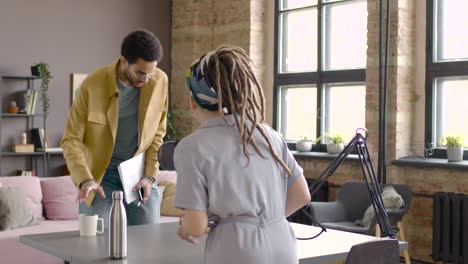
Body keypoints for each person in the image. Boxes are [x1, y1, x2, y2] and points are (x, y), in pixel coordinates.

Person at [173, 45, 311, 264]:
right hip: (283, 244)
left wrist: (185, 227)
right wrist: (263, 220)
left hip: (236, 249)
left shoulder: (192, 147)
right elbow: (302, 195)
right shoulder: (268, 135)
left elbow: (196, 226)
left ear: (193, 101)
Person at [61, 29, 168, 227]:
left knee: (150, 246)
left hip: (139, 174)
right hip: (100, 177)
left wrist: (150, 176)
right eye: (140, 73)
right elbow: (71, 140)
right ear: (124, 61)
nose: (145, 80)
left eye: (150, 73)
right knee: (95, 246)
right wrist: (85, 180)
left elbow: (157, 135)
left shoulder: (159, 81)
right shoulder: (92, 85)